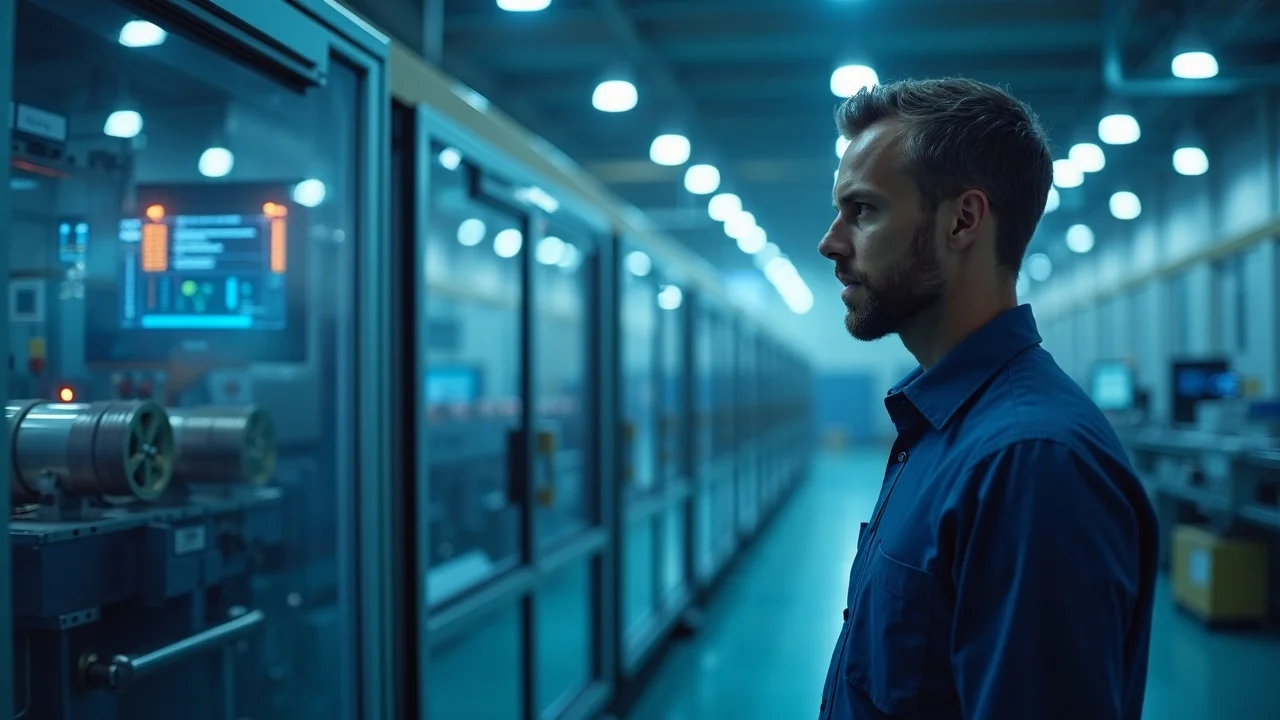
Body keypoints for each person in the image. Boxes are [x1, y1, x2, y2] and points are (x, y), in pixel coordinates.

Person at [815, 78, 1158, 720]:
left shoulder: (1030, 463)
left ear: (963, 220)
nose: (831, 242)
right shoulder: (943, 430)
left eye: (863, 210)